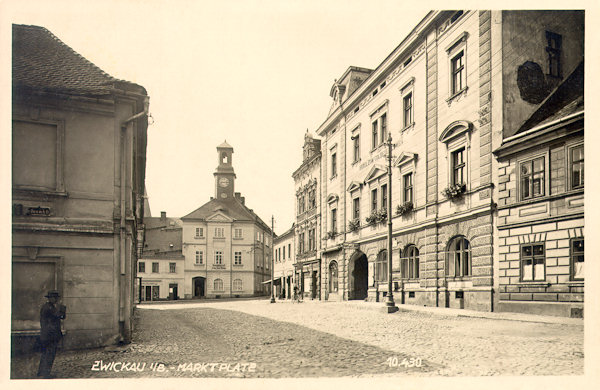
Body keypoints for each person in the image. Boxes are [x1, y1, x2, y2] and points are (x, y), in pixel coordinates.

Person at [37, 290, 66, 379]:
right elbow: (59, 316)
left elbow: (61, 317)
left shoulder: (49, 307)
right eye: (55, 298)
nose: (56, 300)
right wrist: (62, 308)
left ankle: (41, 372)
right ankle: (46, 374)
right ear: (51, 298)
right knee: (49, 354)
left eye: (56, 298)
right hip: (50, 335)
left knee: (46, 354)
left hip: (47, 335)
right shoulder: (48, 308)